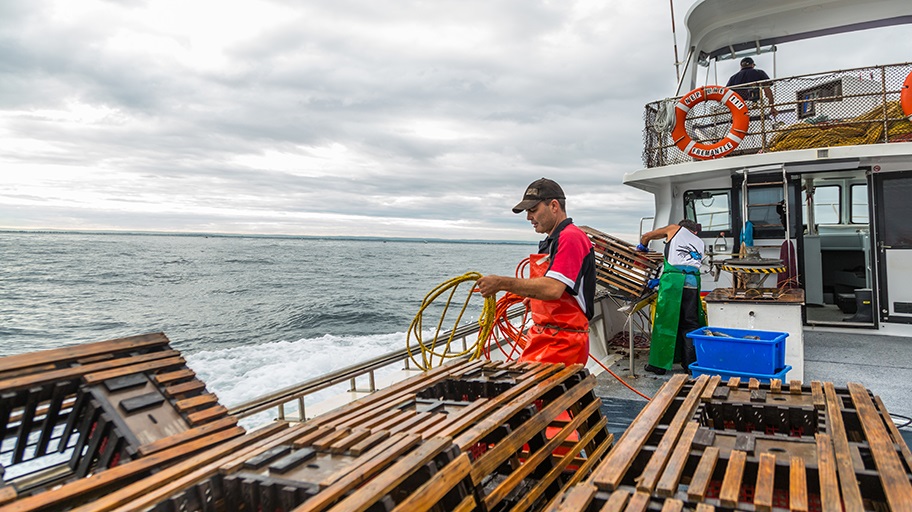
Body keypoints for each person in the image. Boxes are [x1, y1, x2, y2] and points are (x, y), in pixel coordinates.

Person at [477, 178, 596, 366]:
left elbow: (553, 288)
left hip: (562, 343)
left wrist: (500, 283)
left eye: (533, 210)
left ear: (554, 206)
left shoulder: (570, 237)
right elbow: (558, 291)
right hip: (547, 337)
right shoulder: (553, 240)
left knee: (527, 392)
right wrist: (536, 300)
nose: (528, 217)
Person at [637, 219, 706, 375]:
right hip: (693, 282)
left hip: (674, 283)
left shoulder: (674, 228)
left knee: (665, 322)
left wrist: (643, 246)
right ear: (695, 231)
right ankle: (689, 365)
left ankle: (659, 365)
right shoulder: (700, 242)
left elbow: (647, 236)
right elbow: (685, 263)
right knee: (690, 323)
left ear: (681, 227)